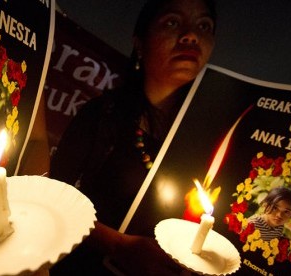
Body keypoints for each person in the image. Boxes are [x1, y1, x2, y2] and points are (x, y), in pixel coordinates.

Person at [49, 0, 216, 275]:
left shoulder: (209, 139)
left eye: (204, 25)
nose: (191, 35)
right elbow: (51, 199)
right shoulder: (102, 115)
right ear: (140, 42)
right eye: (173, 22)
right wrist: (119, 246)